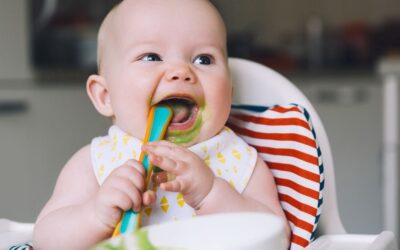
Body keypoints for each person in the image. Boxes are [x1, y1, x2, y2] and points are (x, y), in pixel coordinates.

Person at [33, 0, 290, 249]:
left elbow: (277, 238)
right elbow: (45, 240)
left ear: (229, 94)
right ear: (105, 96)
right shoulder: (93, 163)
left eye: (203, 59)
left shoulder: (241, 162)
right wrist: (95, 215)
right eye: (151, 57)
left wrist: (212, 193)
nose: (181, 71)